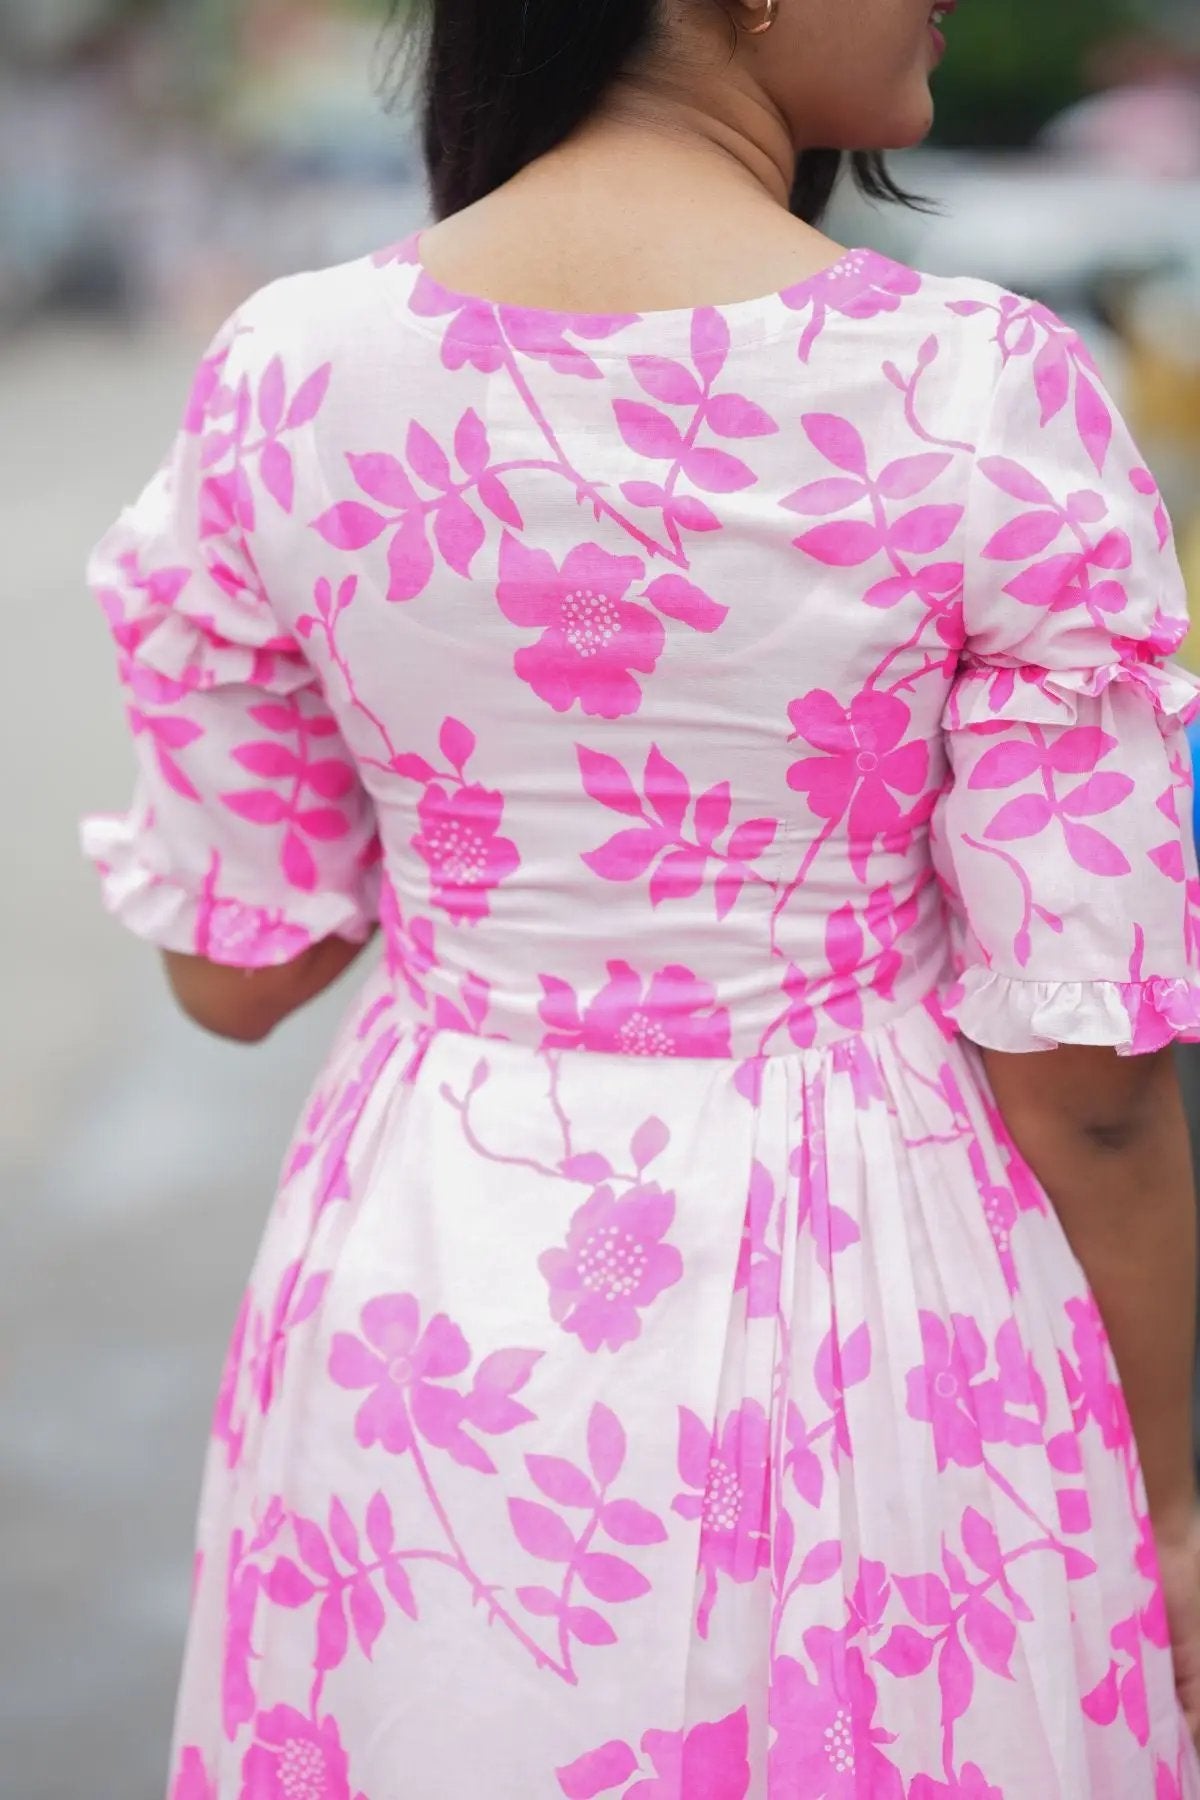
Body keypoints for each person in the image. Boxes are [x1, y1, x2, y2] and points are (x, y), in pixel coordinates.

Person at [82, 1, 1200, 1794]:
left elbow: (240, 971)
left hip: (427, 1289)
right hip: (880, 1285)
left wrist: (473, 785)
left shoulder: (290, 371)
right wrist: (1166, 1507)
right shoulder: (971, 383)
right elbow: (1092, 1081)